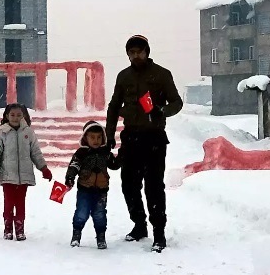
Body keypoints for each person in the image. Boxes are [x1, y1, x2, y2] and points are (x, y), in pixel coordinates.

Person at [105, 34, 183, 251]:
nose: (136, 55)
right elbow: (113, 106)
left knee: (154, 187)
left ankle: (159, 233)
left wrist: (162, 110)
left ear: (147, 52)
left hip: (154, 139)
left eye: (139, 51)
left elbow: (177, 102)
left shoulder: (161, 74)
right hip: (130, 137)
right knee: (129, 185)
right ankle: (139, 225)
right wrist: (109, 134)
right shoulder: (124, 77)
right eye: (132, 52)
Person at [0, 102, 51, 241]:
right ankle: (8, 228)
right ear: (6, 116)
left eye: (19, 115)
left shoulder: (28, 133)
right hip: (8, 175)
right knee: (9, 202)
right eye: (12, 115)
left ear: (24, 116)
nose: (15, 118)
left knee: (20, 203)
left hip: (24, 176)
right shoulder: (2, 133)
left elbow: (35, 152)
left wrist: (43, 168)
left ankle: (20, 229)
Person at [63, 120, 120, 249]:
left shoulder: (105, 153)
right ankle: (76, 234)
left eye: (99, 137)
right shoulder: (81, 153)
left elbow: (114, 165)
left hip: (101, 190)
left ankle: (101, 236)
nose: (96, 140)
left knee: (100, 214)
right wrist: (70, 177)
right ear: (85, 138)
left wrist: (121, 156)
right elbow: (74, 165)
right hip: (85, 189)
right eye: (92, 137)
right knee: (81, 213)